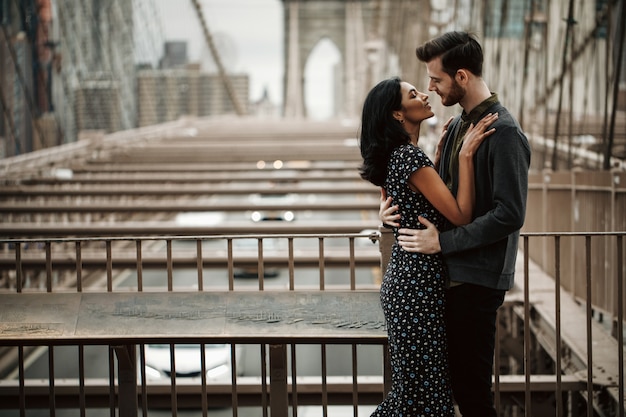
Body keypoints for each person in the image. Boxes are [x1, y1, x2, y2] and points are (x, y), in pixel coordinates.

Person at [380, 31, 531, 417]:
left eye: (436, 79)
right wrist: (392, 214)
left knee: (473, 396)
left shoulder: (505, 133)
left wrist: (442, 245)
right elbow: (440, 196)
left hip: (476, 281)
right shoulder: (459, 127)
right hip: (450, 277)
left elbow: (510, 214)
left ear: (461, 77)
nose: (430, 88)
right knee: (448, 393)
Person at [359, 76, 498, 416]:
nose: (424, 93)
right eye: (413, 93)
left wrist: (432, 163)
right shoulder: (409, 158)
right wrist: (465, 156)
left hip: (407, 282)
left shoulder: (401, 157)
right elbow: (462, 216)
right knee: (425, 397)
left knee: (418, 393)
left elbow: (410, 205)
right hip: (417, 286)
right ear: (397, 114)